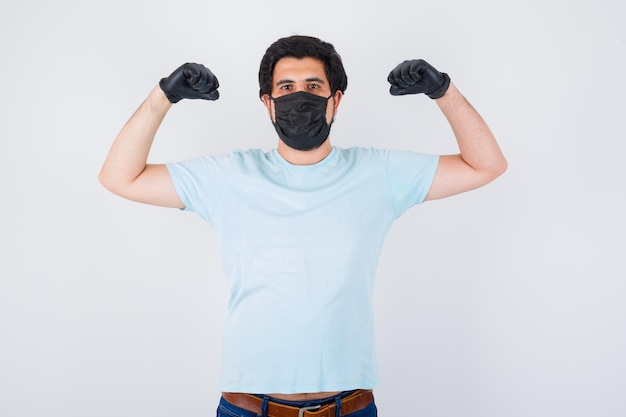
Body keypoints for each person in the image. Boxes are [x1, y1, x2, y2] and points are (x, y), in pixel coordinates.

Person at [99, 35, 507, 417]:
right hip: (247, 407)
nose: (299, 97)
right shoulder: (229, 176)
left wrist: (443, 92)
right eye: (286, 87)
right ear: (268, 102)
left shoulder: (378, 172)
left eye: (313, 87)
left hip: (351, 406)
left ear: (336, 100)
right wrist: (164, 97)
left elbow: (485, 165)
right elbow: (120, 177)